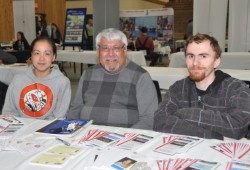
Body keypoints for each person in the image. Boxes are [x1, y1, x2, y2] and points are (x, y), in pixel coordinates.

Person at [154, 33, 250, 140]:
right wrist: (215, 136)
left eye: (203, 56)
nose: (195, 63)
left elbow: (238, 127)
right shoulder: (178, 88)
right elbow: (160, 121)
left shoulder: (237, 89)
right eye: (191, 56)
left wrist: (184, 113)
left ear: (216, 61)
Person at [68, 28, 158, 130]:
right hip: (85, 136)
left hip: (123, 139)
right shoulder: (88, 74)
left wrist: (120, 138)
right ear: (98, 52)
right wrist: (73, 132)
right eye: (105, 48)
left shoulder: (140, 76)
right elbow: (74, 110)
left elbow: (149, 119)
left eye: (116, 48)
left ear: (124, 50)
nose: (111, 54)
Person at [2, 36, 71, 120]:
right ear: (31, 56)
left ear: (53, 57)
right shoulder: (17, 80)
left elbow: (58, 117)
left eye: (47, 53)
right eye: (37, 53)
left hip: (48, 131)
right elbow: (9, 112)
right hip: (20, 130)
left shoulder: (62, 82)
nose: (41, 58)